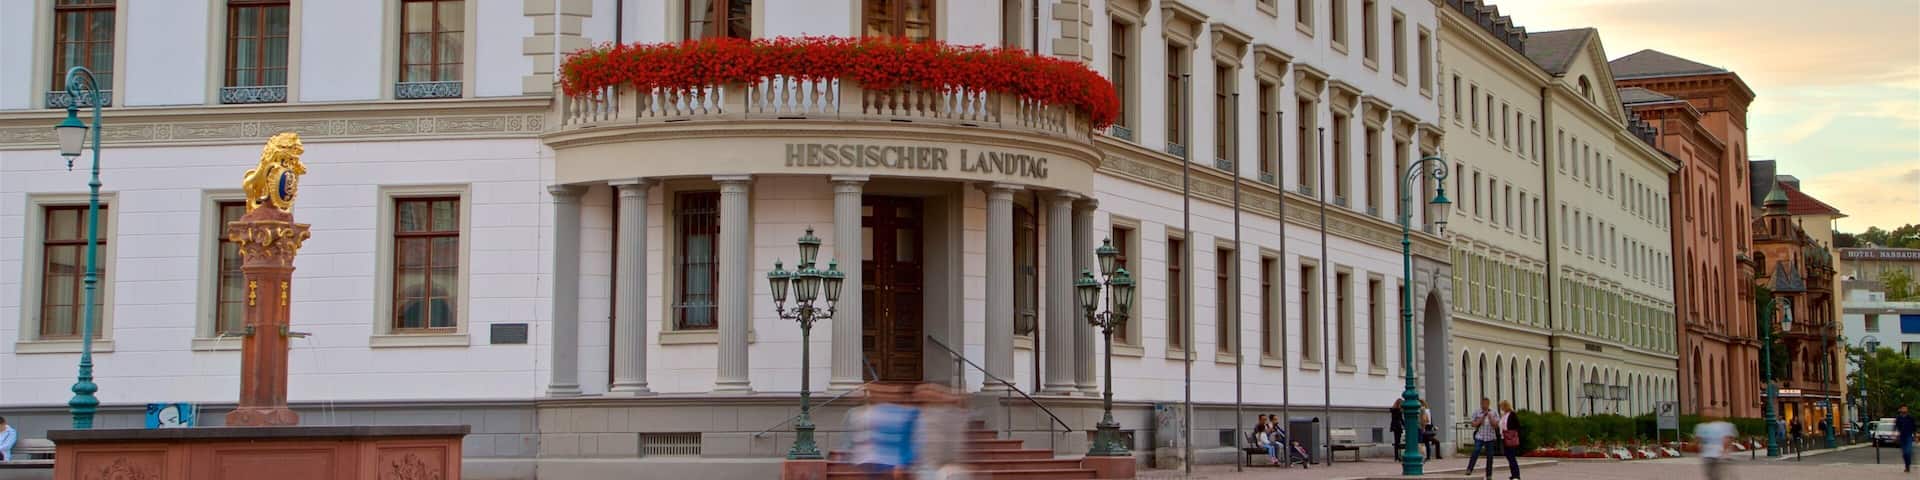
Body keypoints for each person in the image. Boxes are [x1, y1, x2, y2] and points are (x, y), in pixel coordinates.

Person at [1465, 398, 1497, 477]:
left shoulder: (1493, 412)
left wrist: (1490, 417)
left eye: (1486, 404)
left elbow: (1496, 425)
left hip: (1490, 437)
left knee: (1490, 455)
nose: (1484, 405)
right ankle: (1469, 469)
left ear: (1488, 404)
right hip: (1480, 436)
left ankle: (1489, 474)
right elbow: (1473, 424)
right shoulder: (1477, 412)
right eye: (1483, 404)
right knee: (1476, 450)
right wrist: (1482, 418)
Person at [1496, 401, 1520, 480]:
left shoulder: (1512, 414)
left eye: (1501, 406)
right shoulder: (1503, 415)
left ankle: (1516, 475)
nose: (1501, 408)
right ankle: (1513, 474)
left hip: (1510, 438)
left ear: (1505, 406)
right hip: (1503, 438)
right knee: (1508, 456)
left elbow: (1517, 425)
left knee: (1511, 456)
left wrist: (1511, 433)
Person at [1897, 406, 1917, 472]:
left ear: (1907, 409)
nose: (1904, 409)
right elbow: (1896, 427)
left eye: (1905, 408)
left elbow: (1914, 427)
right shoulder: (1899, 418)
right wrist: (1896, 434)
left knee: (1908, 452)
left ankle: (1908, 465)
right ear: (1900, 410)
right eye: (1902, 408)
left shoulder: (1911, 418)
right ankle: (1907, 466)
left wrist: (1915, 436)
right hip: (1902, 437)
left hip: (1909, 436)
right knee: (1904, 453)